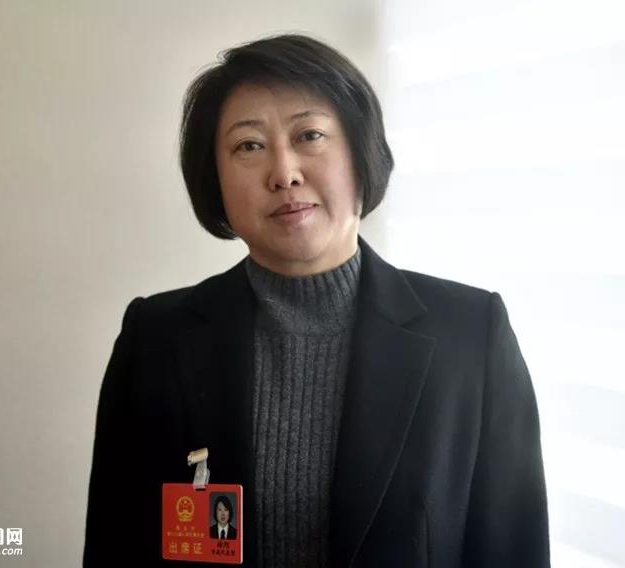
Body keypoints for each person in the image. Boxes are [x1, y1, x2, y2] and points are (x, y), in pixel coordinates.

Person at [83, 34, 550, 567]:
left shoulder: (470, 337)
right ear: (215, 178)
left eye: (310, 135)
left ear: (360, 154)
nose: (284, 173)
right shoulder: (156, 339)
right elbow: (116, 547)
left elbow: (513, 549)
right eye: (248, 146)